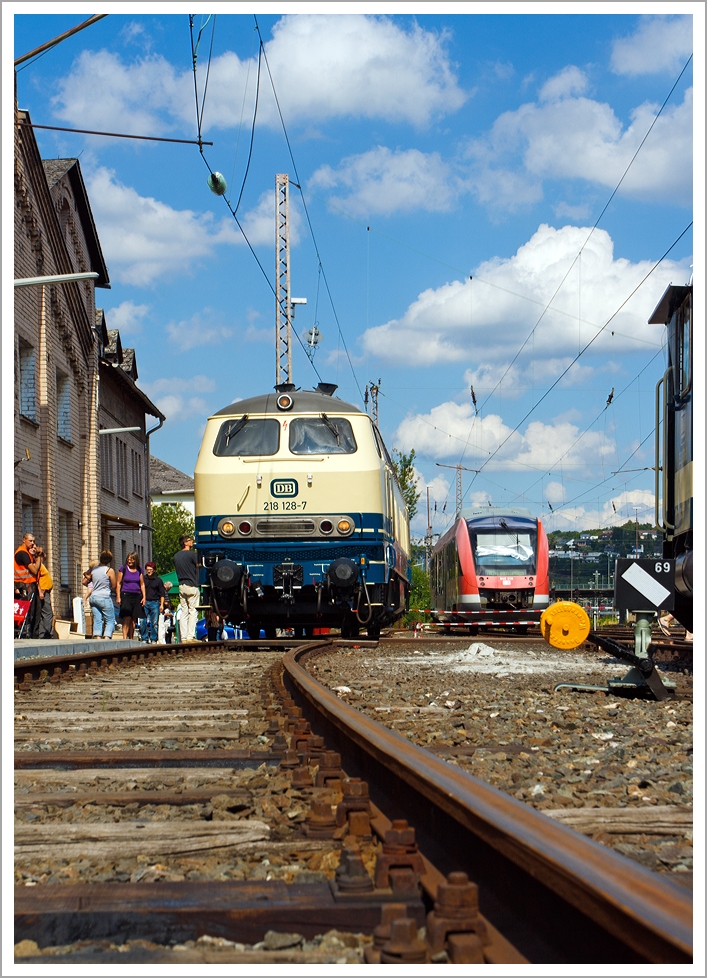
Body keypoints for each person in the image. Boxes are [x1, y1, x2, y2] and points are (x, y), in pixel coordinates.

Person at [84, 551, 117, 639]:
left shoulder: (94, 569)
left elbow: (87, 577)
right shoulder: (109, 570)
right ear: (110, 560)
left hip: (93, 597)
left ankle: (98, 637)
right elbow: (114, 585)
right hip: (104, 597)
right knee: (110, 620)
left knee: (97, 619)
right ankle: (107, 637)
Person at [14, 532, 40, 637]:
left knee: (34, 612)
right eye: (30, 541)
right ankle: (27, 634)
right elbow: (34, 570)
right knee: (29, 612)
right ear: (23, 540)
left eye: (33, 541)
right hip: (24, 585)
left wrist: (38, 554)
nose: (32, 543)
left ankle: (32, 634)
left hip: (29, 585)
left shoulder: (28, 553)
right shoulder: (22, 553)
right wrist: (38, 558)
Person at [174, 534, 199, 642]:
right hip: (191, 585)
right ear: (185, 543)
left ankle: (183, 637)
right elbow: (199, 567)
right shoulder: (192, 555)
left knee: (184, 612)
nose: (192, 542)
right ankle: (190, 636)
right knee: (193, 611)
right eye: (189, 540)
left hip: (181, 585)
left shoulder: (176, 556)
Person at [116, 551, 146, 640]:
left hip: (136, 595)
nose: (129, 561)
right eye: (128, 559)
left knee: (133, 618)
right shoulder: (123, 568)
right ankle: (125, 638)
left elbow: (142, 584)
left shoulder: (139, 570)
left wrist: (144, 597)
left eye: (131, 559)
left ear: (135, 560)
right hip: (126, 595)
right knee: (127, 617)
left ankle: (131, 638)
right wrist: (118, 596)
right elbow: (118, 583)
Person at [141, 562, 167, 643]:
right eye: (147, 569)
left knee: (154, 622)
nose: (148, 571)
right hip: (145, 602)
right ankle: (144, 638)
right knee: (142, 621)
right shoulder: (143, 579)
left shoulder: (158, 581)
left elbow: (162, 593)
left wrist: (162, 604)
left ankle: (153, 638)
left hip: (155, 602)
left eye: (150, 570)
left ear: (154, 570)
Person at [33, 546, 54, 639]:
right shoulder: (37, 564)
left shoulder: (42, 565)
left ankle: (43, 634)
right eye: (42, 554)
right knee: (48, 614)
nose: (45, 556)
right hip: (42, 592)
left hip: (46, 592)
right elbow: (36, 579)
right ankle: (46, 634)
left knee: (44, 614)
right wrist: (41, 591)